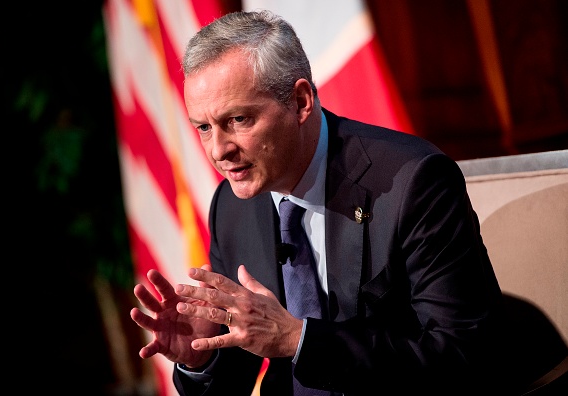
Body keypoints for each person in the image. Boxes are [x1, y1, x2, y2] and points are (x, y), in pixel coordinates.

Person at [130, 10, 509, 396]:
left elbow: (466, 358)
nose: (219, 150)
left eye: (239, 119)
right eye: (204, 128)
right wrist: (200, 358)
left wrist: (299, 341)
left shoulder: (412, 183)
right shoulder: (231, 206)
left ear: (300, 101)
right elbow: (237, 371)